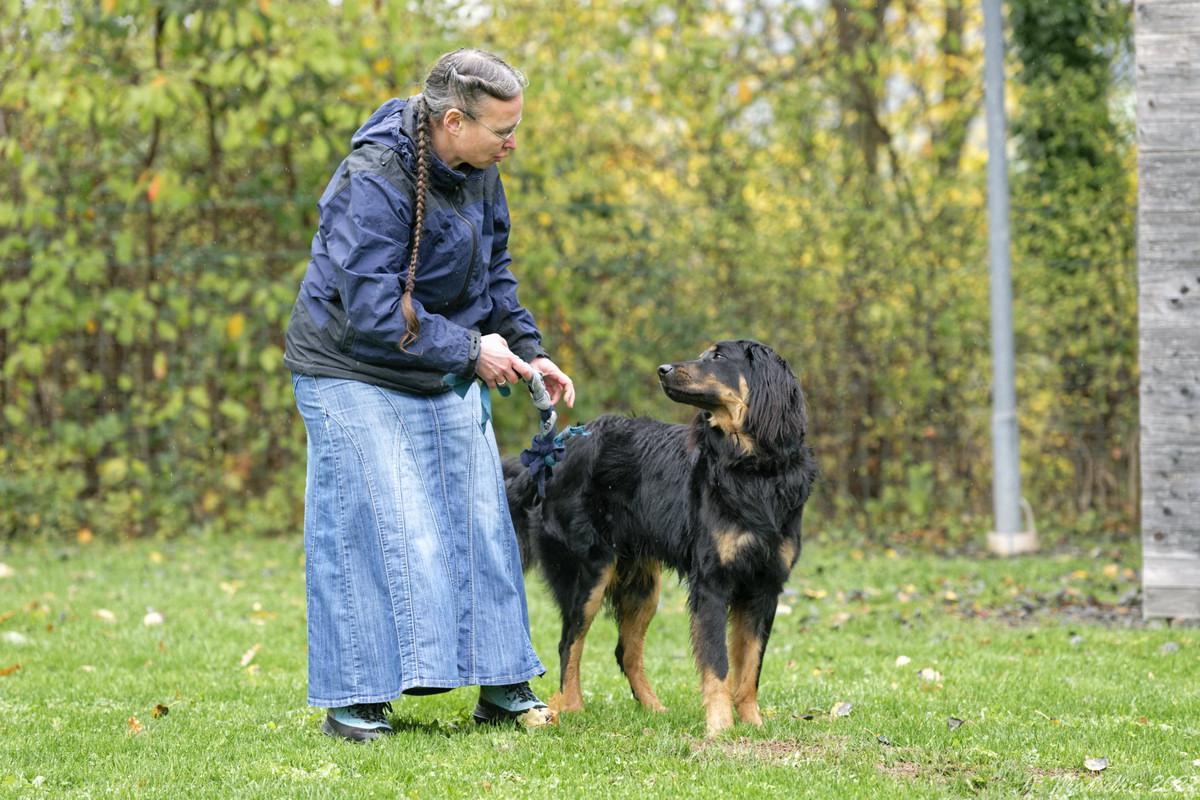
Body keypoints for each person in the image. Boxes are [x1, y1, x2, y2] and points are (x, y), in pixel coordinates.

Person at [283, 48, 574, 742]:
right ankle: (356, 698)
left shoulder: (480, 173)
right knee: (376, 525)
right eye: (503, 130)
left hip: (434, 361)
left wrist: (527, 353)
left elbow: (493, 275)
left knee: (480, 519)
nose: (513, 142)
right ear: (452, 120)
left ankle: (504, 684)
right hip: (348, 367)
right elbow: (377, 310)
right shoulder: (373, 178)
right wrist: (474, 351)